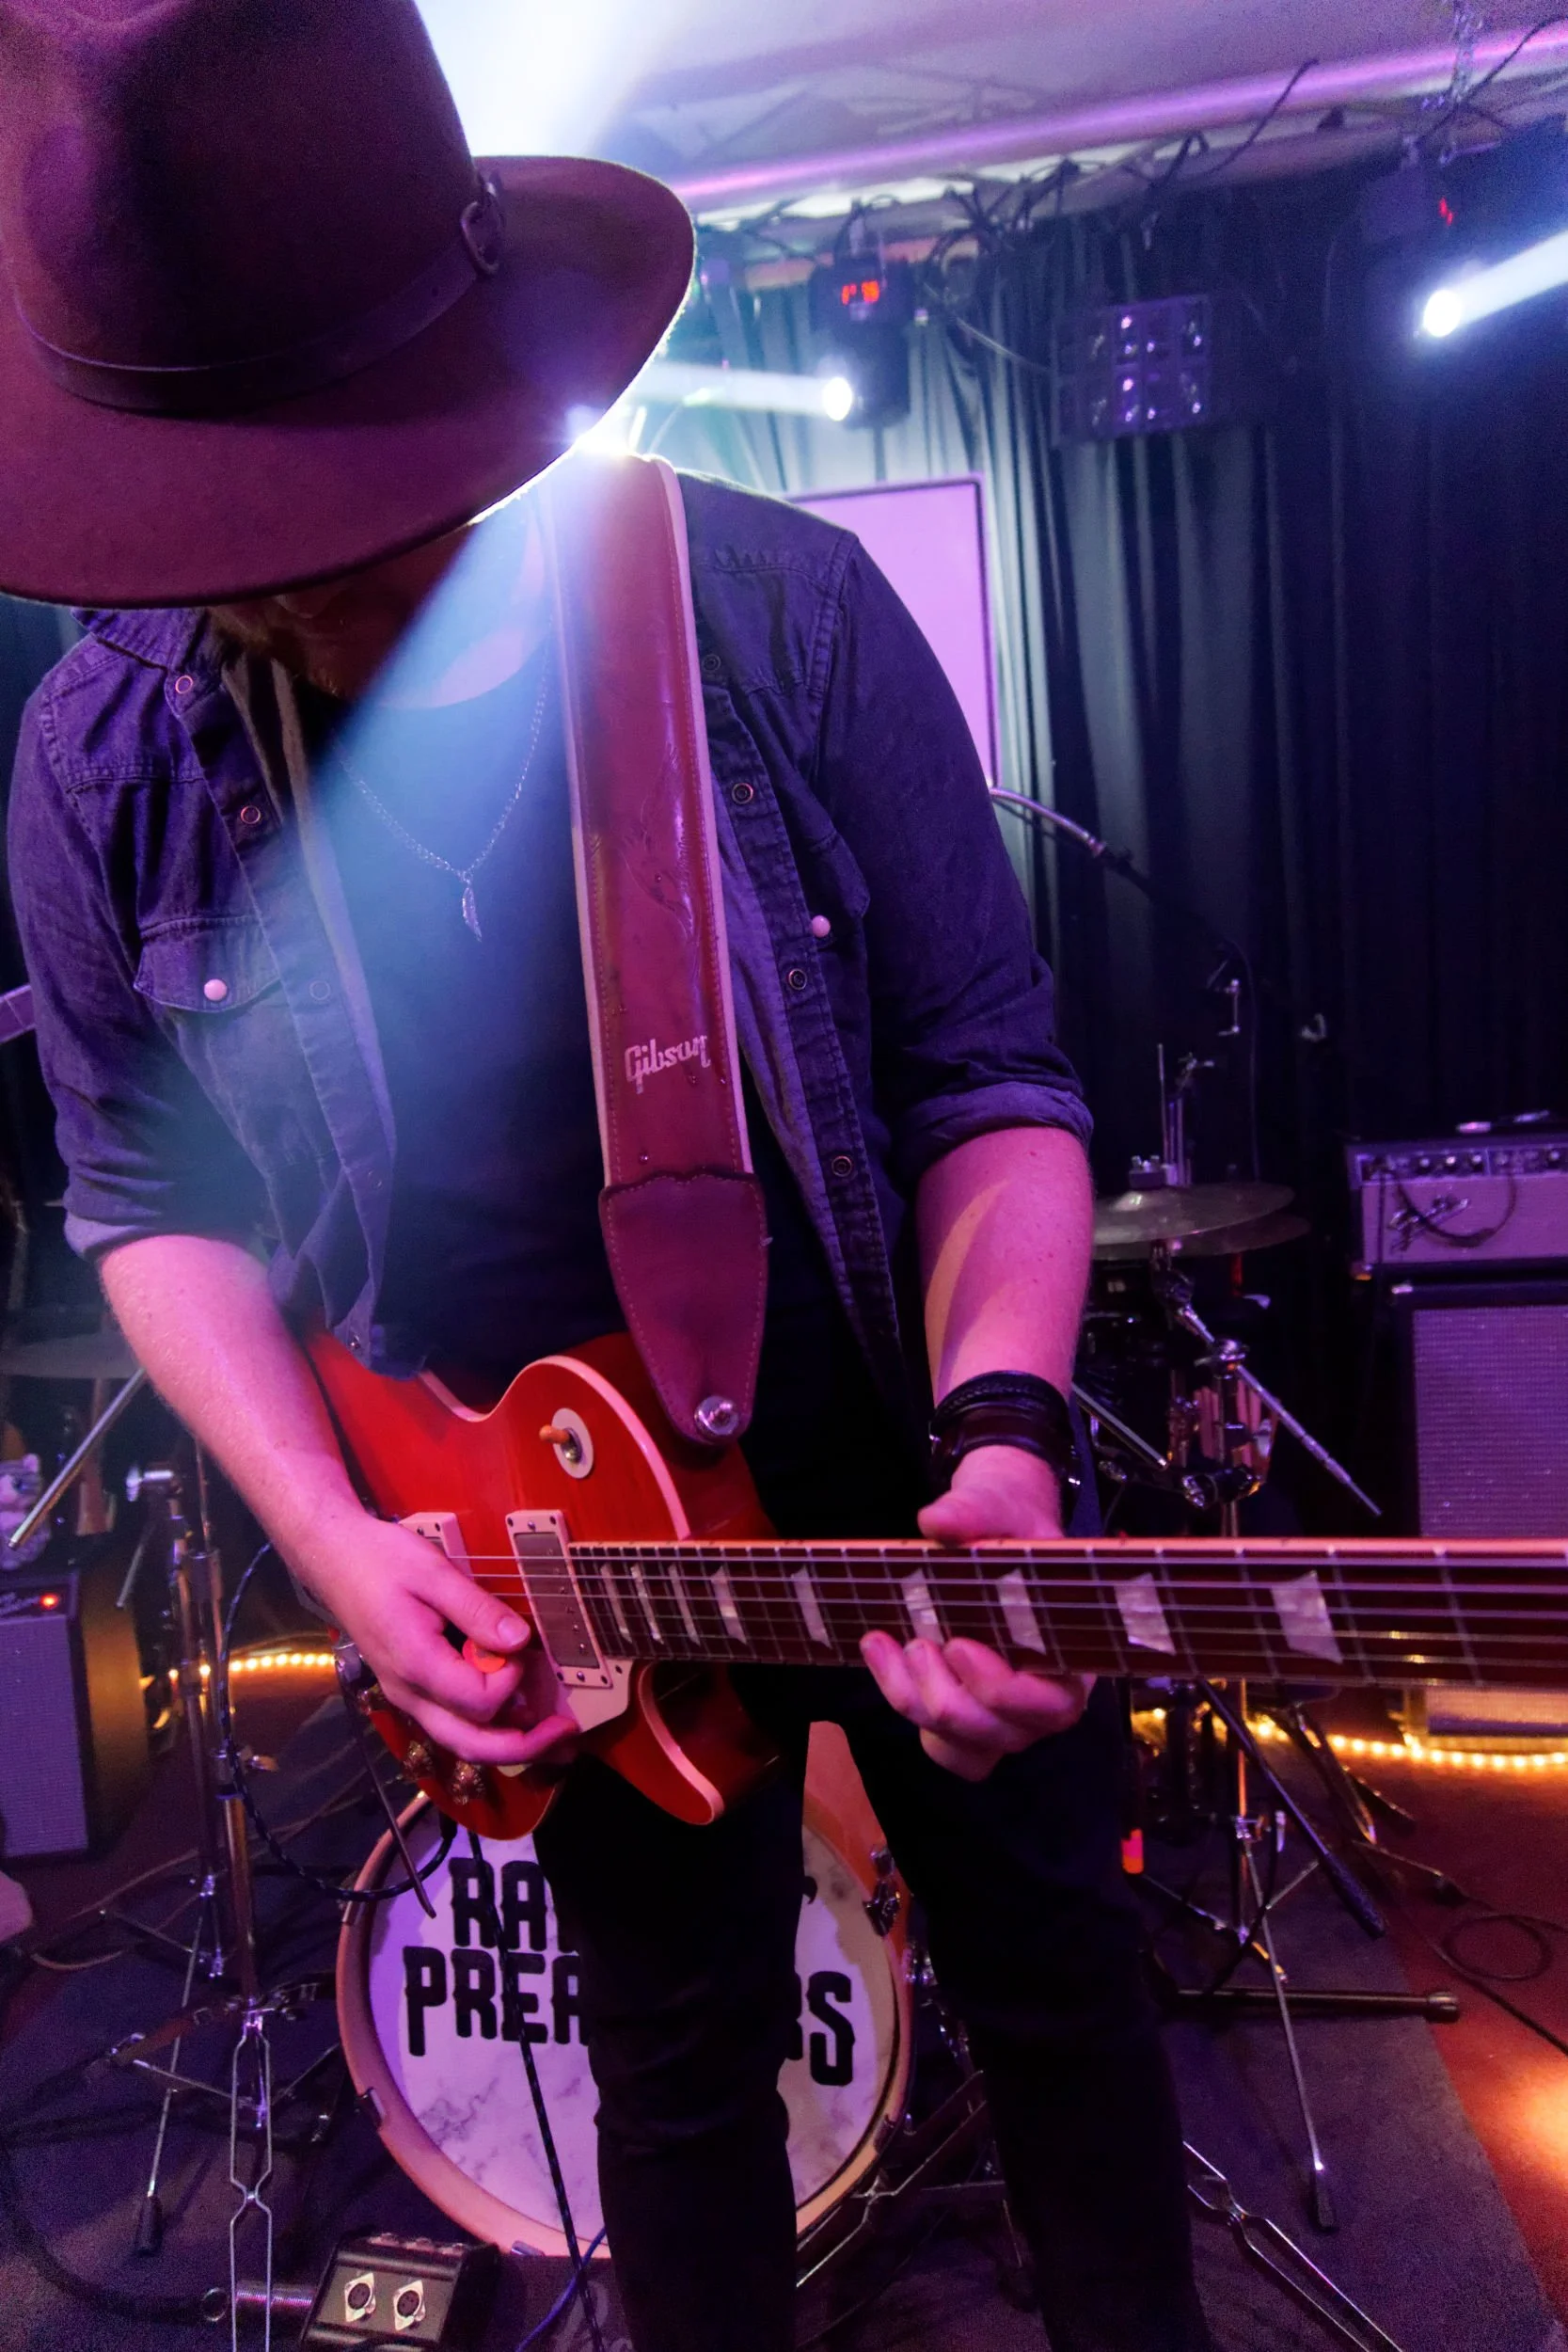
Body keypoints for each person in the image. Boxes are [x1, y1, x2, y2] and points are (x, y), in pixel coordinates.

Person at [0, 5, 1212, 2348]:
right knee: (671, 2085)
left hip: (901, 1462)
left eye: (329, 522)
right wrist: (340, 1542)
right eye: (208, 530)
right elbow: (139, 1192)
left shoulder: (767, 618)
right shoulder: (102, 751)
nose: (264, 593)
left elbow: (987, 1076)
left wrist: (1006, 1436)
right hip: (543, 1533)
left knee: (1063, 2006)